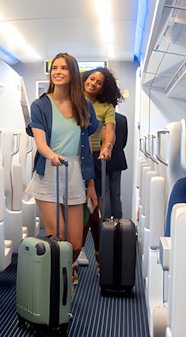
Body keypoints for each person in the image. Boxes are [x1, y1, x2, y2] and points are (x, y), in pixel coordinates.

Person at [26, 52, 100, 285]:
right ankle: (60, 282)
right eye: (54, 68)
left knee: (76, 243)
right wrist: (51, 155)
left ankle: (69, 266)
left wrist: (91, 185)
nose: (57, 72)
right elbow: (40, 143)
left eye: (64, 68)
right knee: (58, 237)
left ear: (73, 73)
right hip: (48, 172)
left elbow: (86, 145)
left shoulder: (84, 105)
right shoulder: (40, 105)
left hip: (75, 173)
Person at [79, 67, 124, 272]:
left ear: (103, 88)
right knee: (73, 209)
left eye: (99, 82)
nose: (93, 83)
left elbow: (110, 131)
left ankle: (95, 254)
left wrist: (107, 148)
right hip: (73, 159)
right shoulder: (74, 100)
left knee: (93, 209)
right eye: (91, 79)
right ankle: (80, 253)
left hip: (95, 159)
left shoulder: (106, 107)